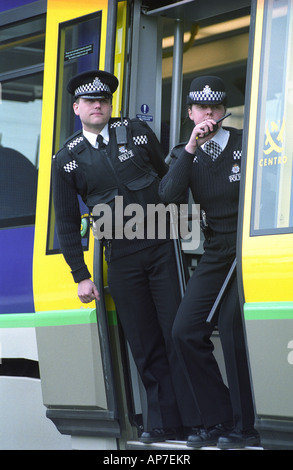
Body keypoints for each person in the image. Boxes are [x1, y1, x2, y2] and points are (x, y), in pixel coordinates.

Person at [51, 69, 199, 443]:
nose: (97, 105)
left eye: (102, 99)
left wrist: (186, 234)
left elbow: (168, 181)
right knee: (144, 342)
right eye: (89, 101)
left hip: (162, 247)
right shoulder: (66, 159)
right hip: (121, 258)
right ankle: (164, 422)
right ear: (77, 108)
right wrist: (80, 275)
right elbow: (67, 223)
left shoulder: (135, 131)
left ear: (110, 104)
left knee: (176, 334)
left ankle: (198, 419)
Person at [159, 75, 260, 449]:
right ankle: (218, 419)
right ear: (190, 112)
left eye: (215, 107)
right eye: (202, 108)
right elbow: (167, 197)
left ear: (223, 111)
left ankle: (245, 426)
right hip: (218, 250)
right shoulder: (182, 152)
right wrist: (190, 148)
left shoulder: (244, 142)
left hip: (248, 246)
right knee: (184, 331)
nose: (209, 114)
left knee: (232, 329)